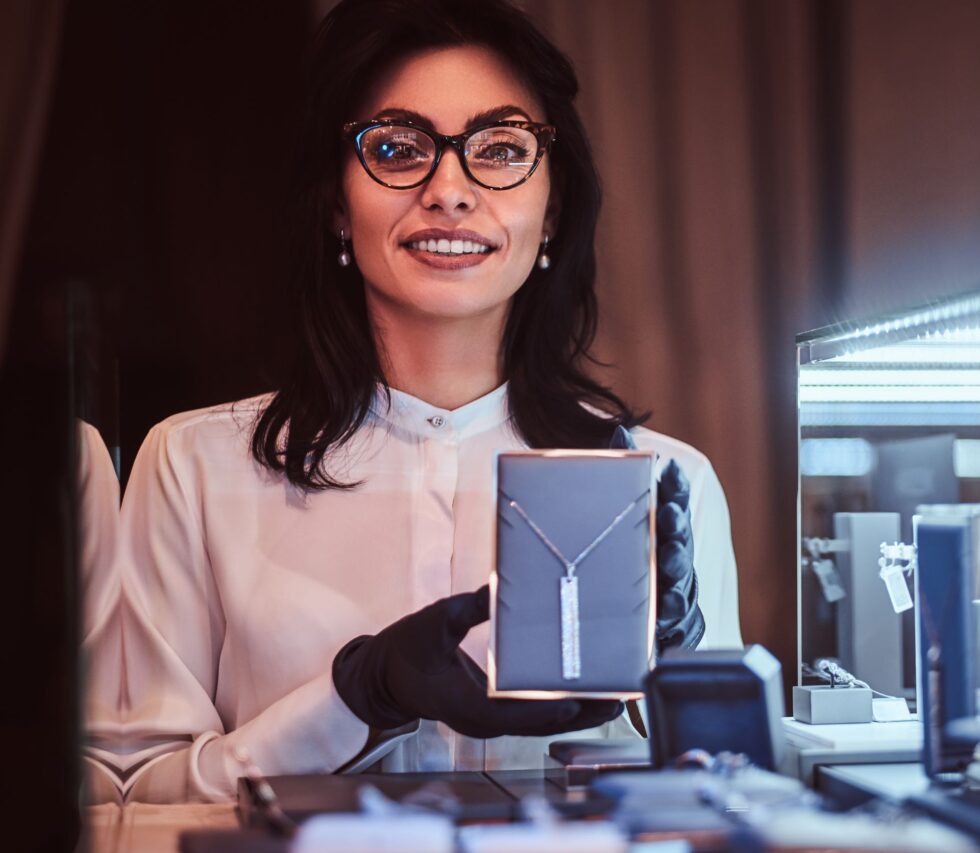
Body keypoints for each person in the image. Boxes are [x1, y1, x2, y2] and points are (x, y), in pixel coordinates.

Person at [114, 0, 741, 803]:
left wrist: (680, 684)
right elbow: (130, 798)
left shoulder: (669, 484)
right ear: (337, 204)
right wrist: (357, 696)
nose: (449, 190)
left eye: (501, 148)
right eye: (397, 148)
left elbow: (731, 800)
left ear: (552, 209)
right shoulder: (193, 468)